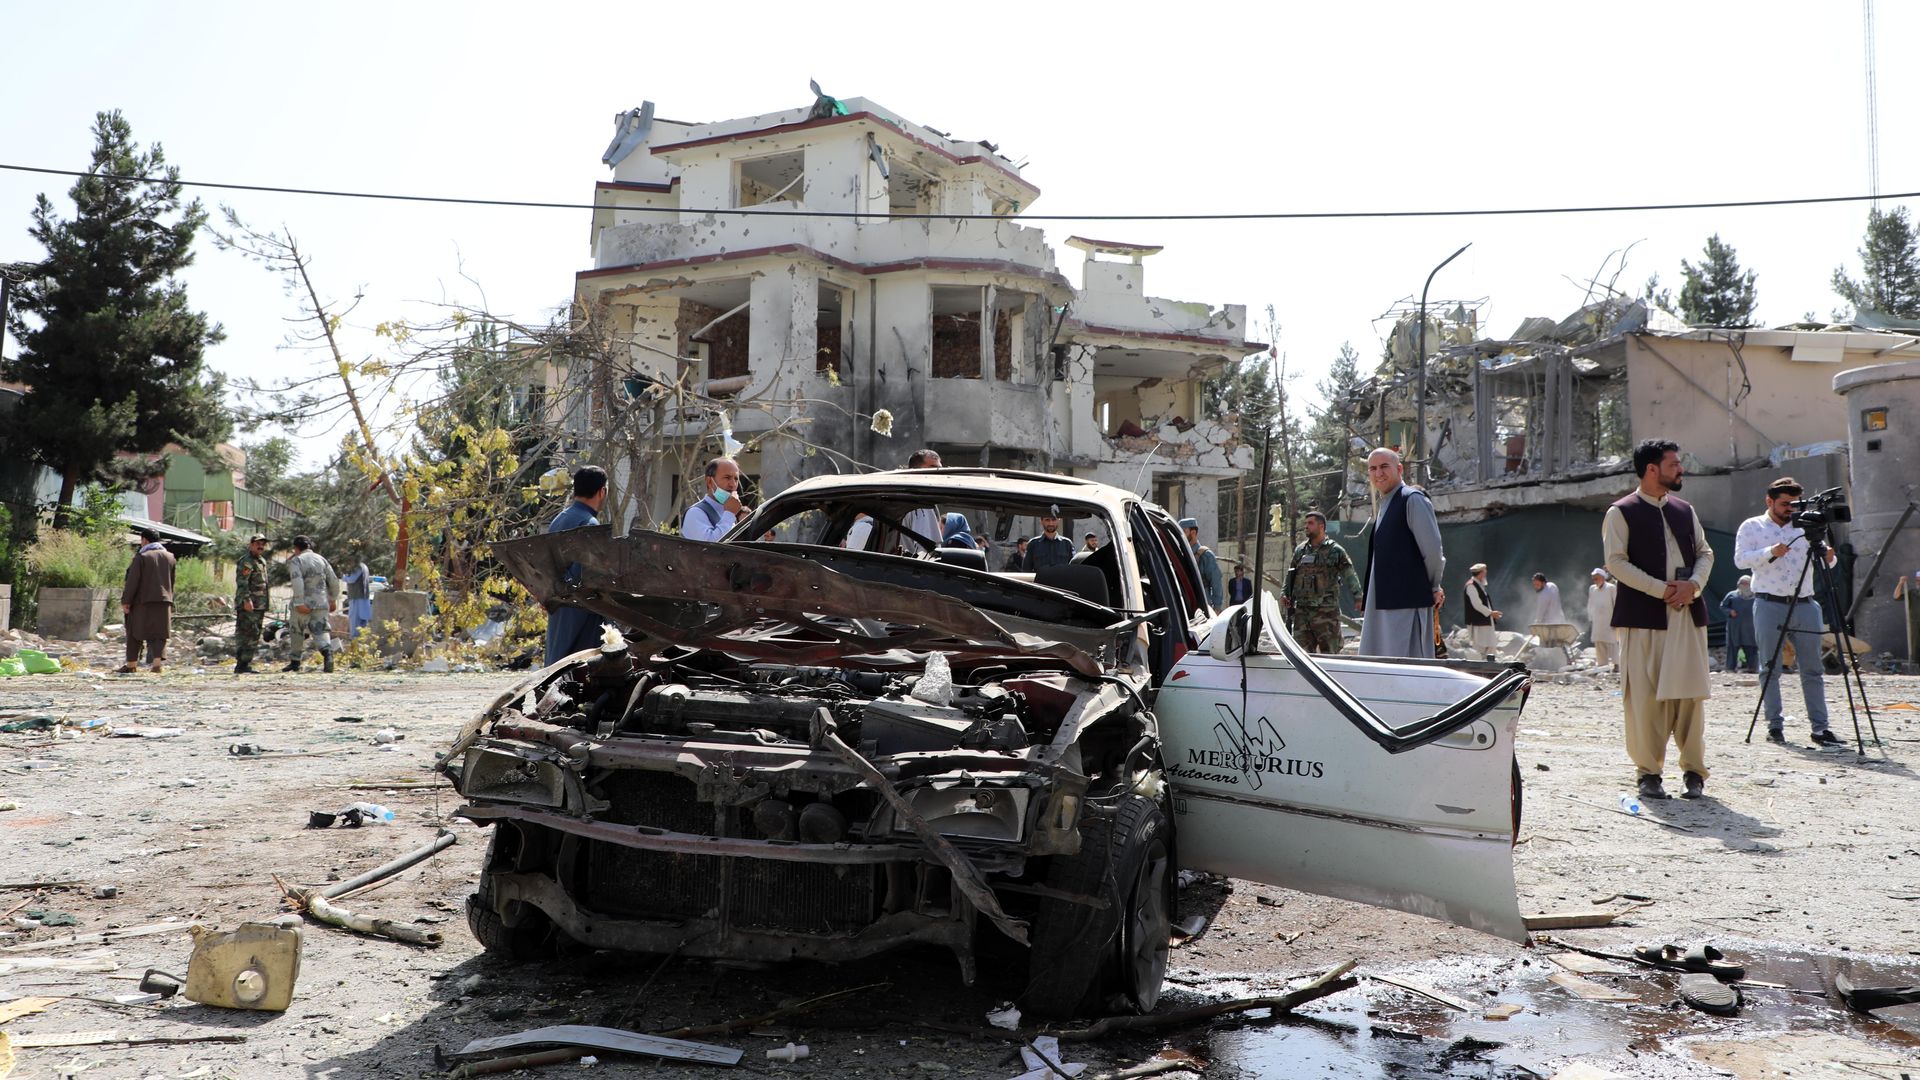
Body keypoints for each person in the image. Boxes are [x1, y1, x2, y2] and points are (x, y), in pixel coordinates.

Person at [1603, 438, 1713, 800]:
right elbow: (1616, 563)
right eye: (1673, 464)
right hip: (1644, 618)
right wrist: (1661, 589)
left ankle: (1694, 773)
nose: (1680, 469)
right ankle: (1648, 773)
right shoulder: (1621, 512)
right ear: (1652, 469)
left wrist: (1693, 586)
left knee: (1690, 697)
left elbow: (1704, 553)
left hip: (1685, 616)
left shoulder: (1685, 510)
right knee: (1645, 700)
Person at [1735, 477, 1842, 747]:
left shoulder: (1808, 524)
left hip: (1806, 603)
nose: (1790, 509)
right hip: (1769, 603)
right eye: (1784, 504)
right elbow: (1740, 560)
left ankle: (1820, 729)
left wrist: (1829, 554)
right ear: (1769, 501)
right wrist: (1770, 551)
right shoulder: (1752, 526)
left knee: (1812, 669)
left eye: (1794, 504)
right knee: (1770, 668)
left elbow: (1830, 562)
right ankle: (1775, 726)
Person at [1358, 448, 1445, 658]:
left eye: (1384, 466)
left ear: (1399, 469)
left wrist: (1434, 586)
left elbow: (1432, 550)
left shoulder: (1412, 499)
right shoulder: (1386, 504)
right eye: (1373, 468)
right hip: (1383, 602)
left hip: (1406, 604)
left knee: (1407, 663)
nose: (1378, 473)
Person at [544, 465, 609, 665]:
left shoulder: (560, 519)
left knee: (557, 666)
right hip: (583, 613)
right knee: (579, 670)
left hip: (559, 609)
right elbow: (591, 578)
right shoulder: (589, 524)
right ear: (602, 492)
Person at [1285, 511, 1360, 652]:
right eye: (1305, 523)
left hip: (1326, 614)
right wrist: (1285, 593)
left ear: (1321, 526)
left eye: (1310, 523)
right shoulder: (1300, 551)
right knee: (1301, 656)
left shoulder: (1335, 551)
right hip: (1303, 614)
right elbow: (1291, 575)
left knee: (1330, 655)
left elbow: (1349, 574)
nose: (1306, 526)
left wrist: (1358, 597)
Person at [118, 527, 175, 674]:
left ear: (144, 540)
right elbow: (172, 581)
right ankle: (157, 664)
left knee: (134, 631)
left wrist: (126, 601)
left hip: (143, 601)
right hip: (164, 601)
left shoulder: (141, 557)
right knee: (160, 633)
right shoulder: (170, 557)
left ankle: (131, 665)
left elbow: (133, 582)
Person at [283, 535, 339, 673]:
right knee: (321, 630)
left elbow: (297, 582)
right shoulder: (322, 560)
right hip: (321, 602)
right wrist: (332, 599)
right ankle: (328, 656)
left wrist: (299, 602)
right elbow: (333, 581)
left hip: (304, 603)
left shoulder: (296, 561)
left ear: (295, 548)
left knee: (297, 631)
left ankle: (295, 662)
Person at [232, 533, 271, 675]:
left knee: (254, 633)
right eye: (258, 543)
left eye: (263, 544)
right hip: (249, 604)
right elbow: (242, 583)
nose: (261, 546)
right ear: (251, 545)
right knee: (246, 633)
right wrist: (246, 600)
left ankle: (245, 663)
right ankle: (241, 664)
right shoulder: (246, 561)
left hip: (259, 604)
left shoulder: (261, 561)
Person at [684, 457, 747, 542]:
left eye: (736, 479)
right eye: (727, 477)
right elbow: (711, 548)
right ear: (709, 482)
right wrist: (729, 514)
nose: (733, 484)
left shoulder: (728, 512)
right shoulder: (695, 513)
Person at [899, 449, 944, 552]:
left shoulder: (901, 497)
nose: (939, 475)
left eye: (940, 470)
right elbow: (926, 553)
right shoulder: (921, 505)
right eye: (933, 469)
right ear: (915, 471)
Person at [1181, 518, 1225, 608]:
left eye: (1184, 532)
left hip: (1202, 606)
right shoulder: (1181, 554)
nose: (1181, 537)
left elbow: (1216, 583)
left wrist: (1217, 607)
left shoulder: (1205, 555)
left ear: (1193, 533)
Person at [1720, 575, 1758, 673]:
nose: (1745, 585)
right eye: (1743, 583)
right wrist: (1730, 611)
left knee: (1751, 648)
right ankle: (1730, 668)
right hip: (1735, 627)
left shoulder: (1756, 597)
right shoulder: (1732, 595)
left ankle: (1752, 667)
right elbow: (1723, 606)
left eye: (1747, 583)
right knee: (1732, 647)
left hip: (1750, 628)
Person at [1463, 563, 1502, 660]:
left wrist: (1490, 613)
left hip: (1485, 621)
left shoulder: (1479, 585)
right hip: (1478, 623)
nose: (1485, 575)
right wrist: (1490, 613)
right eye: (1484, 572)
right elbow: (1477, 604)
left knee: (1490, 646)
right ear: (1480, 573)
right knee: (1479, 648)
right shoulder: (1471, 586)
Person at [1022, 506, 1075, 571]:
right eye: (1047, 520)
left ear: (1058, 520)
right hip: (1039, 581)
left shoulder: (1067, 544)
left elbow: (1073, 568)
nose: (1051, 523)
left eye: (1053, 519)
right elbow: (1026, 570)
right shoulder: (1033, 544)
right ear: (1041, 521)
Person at [339, 542, 374, 639]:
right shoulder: (364, 566)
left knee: (355, 620)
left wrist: (343, 577)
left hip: (357, 597)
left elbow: (351, 579)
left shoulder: (358, 567)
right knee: (363, 621)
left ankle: (355, 640)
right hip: (363, 597)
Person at [1587, 568, 1619, 671]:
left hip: (1609, 619)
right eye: (1594, 579)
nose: (1595, 580)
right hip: (1597, 620)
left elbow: (1616, 604)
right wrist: (1590, 617)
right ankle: (1602, 665)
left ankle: (1616, 664)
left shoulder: (1611, 588)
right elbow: (1590, 604)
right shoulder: (1592, 589)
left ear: (1602, 577)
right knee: (1599, 642)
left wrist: (1616, 619)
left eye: (1597, 578)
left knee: (1612, 642)